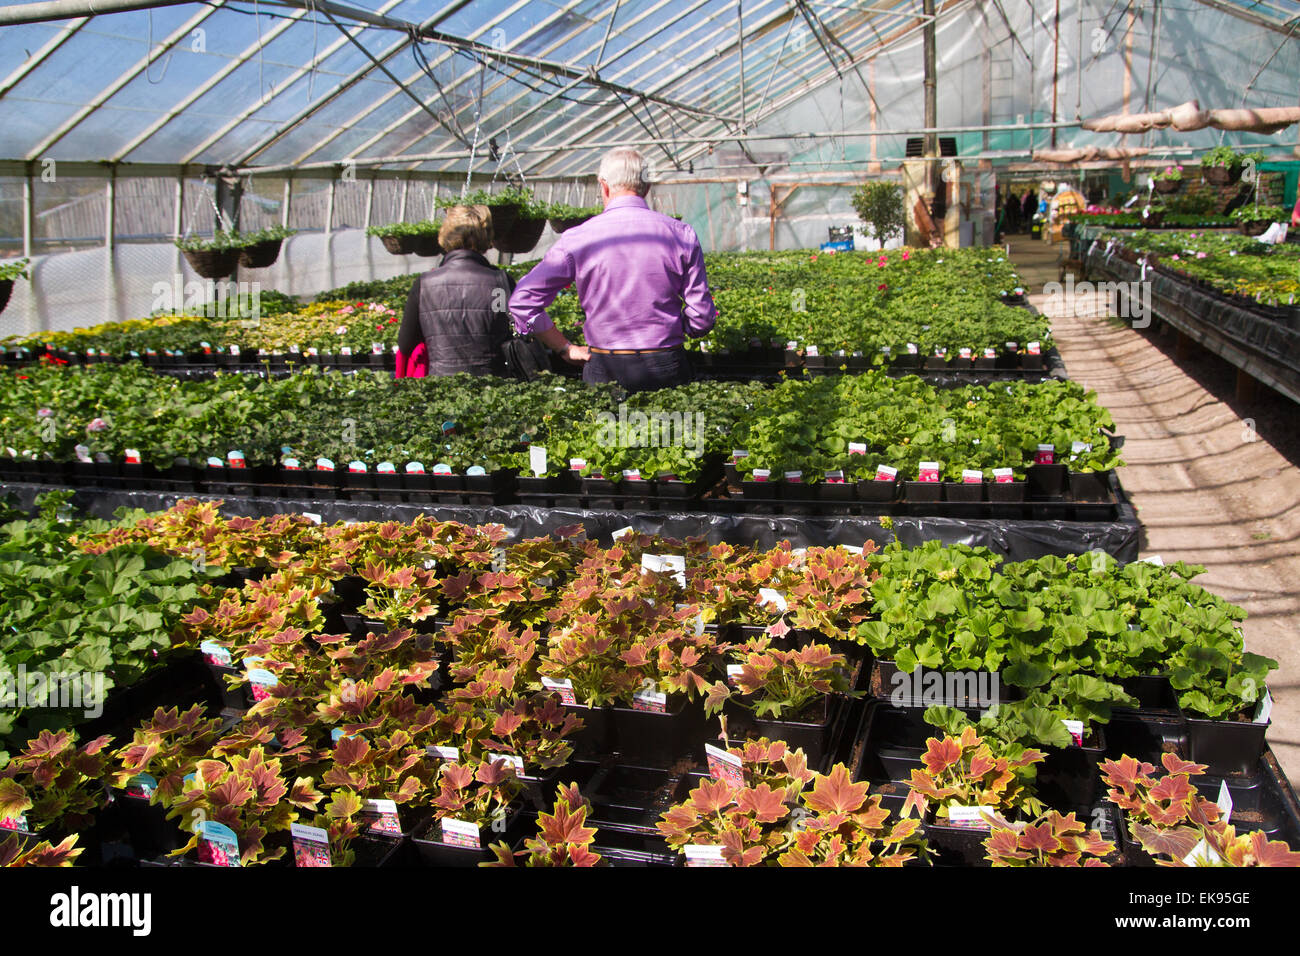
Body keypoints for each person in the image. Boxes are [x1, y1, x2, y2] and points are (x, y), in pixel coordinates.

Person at [508, 147, 717, 392]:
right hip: (666, 364)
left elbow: (522, 302)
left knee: (608, 430)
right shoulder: (681, 234)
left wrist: (564, 348)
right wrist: (674, 327)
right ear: (646, 189)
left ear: (604, 187)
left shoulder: (579, 237)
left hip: (605, 366)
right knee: (667, 430)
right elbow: (702, 318)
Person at [395, 205, 513, 377]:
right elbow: (505, 329)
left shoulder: (425, 284)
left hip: (443, 386)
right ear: (487, 236)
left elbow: (406, 344)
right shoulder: (499, 283)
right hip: (493, 385)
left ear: (445, 234)